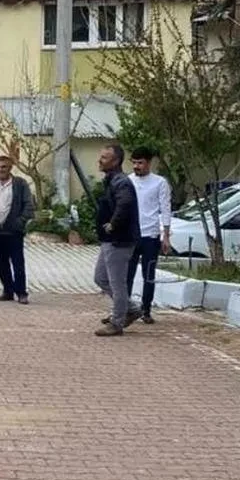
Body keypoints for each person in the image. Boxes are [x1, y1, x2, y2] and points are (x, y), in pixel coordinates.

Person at [94, 144, 143, 337]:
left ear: (115, 161)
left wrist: (113, 224)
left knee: (117, 283)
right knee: (101, 278)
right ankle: (129, 309)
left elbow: (125, 203)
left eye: (105, 158)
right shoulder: (111, 180)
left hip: (119, 240)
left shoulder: (121, 182)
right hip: (109, 240)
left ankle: (117, 322)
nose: (100, 160)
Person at [0, 155, 35, 304]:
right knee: (1, 263)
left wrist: (20, 222)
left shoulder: (20, 184)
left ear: (10, 168)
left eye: (3, 167)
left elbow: (28, 205)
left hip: (14, 231)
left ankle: (21, 292)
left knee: (18, 263)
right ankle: (7, 290)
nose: (0, 170)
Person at [125, 147, 172, 324]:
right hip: (131, 235)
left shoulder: (160, 183)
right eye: (134, 163)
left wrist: (165, 235)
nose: (137, 166)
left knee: (148, 274)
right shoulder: (127, 181)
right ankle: (125, 308)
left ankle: (146, 309)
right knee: (126, 275)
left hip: (151, 235)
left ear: (149, 163)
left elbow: (165, 209)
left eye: (140, 163)